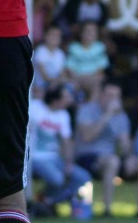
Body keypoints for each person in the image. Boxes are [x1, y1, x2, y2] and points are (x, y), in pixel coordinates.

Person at [28, 85, 92, 216]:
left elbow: (66, 141)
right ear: (56, 100)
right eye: (66, 97)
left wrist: (68, 163)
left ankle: (45, 200)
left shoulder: (63, 115)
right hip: (34, 157)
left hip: (54, 158)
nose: (70, 100)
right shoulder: (34, 107)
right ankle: (42, 202)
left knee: (82, 177)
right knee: (57, 179)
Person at [74, 81, 134, 217]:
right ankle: (107, 209)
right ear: (101, 95)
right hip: (85, 155)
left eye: (116, 96)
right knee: (112, 161)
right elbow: (88, 136)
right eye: (109, 95)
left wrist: (129, 157)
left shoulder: (121, 116)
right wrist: (107, 115)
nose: (113, 99)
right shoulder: (87, 110)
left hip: (109, 157)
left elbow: (125, 145)